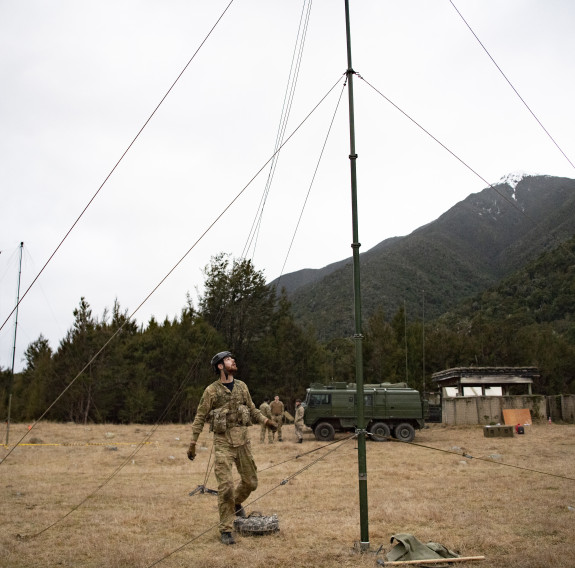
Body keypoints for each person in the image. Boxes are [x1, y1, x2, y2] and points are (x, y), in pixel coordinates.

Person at [187, 351, 277, 545]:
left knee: (251, 482)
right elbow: (200, 416)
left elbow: (252, 409)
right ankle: (226, 529)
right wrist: (193, 443)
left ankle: (236, 502)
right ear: (220, 366)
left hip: (243, 441)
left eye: (232, 359)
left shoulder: (242, 386)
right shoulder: (211, 391)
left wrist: (266, 421)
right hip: (223, 443)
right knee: (226, 486)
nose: (233, 361)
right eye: (228, 359)